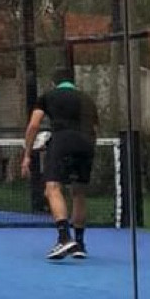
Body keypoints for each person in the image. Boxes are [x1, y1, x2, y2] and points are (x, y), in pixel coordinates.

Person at [21, 67, 99, 261]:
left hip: (62, 141)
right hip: (86, 144)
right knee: (79, 192)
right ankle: (79, 244)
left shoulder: (48, 96)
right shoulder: (87, 99)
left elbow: (34, 125)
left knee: (52, 188)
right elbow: (95, 128)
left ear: (53, 83)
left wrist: (27, 154)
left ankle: (64, 238)